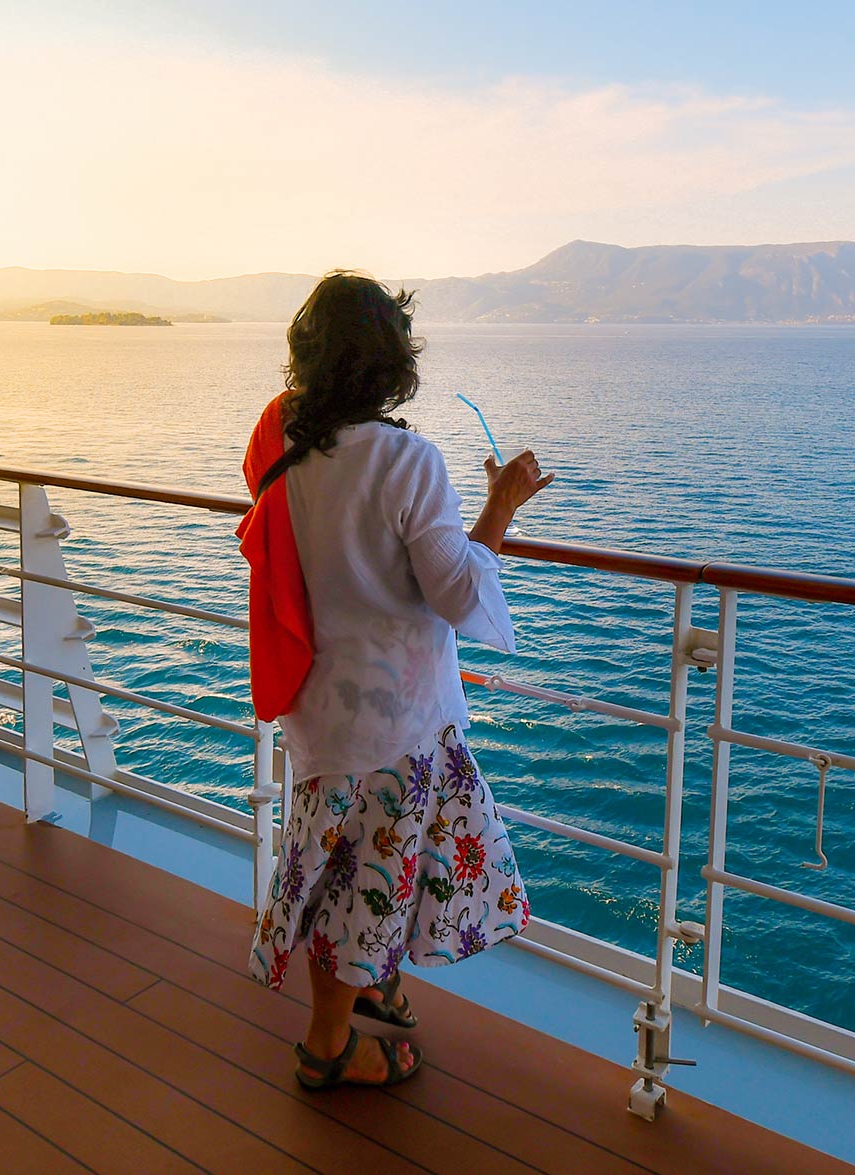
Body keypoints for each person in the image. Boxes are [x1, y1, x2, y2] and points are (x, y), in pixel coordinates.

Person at [238, 270, 551, 1090]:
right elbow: (452, 591)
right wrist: (503, 506)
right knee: (363, 887)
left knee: (345, 871)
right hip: (397, 729)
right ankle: (327, 1044)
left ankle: (373, 986)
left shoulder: (290, 456)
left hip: (324, 714)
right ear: (392, 365)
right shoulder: (408, 461)